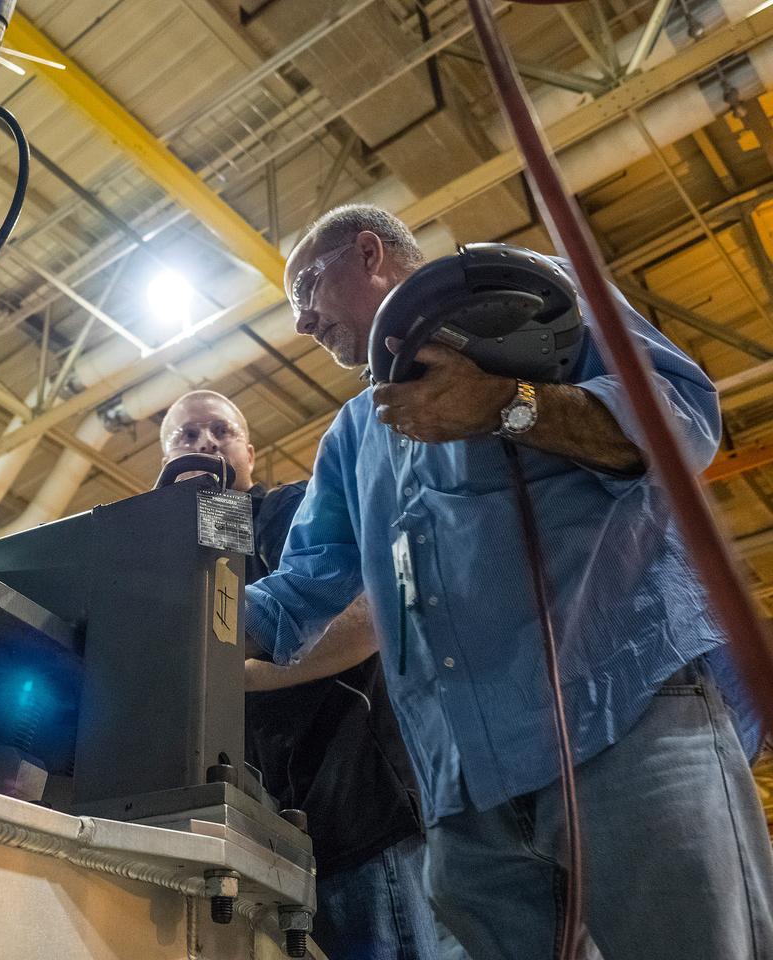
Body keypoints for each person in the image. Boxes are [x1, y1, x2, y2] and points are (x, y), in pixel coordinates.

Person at [243, 203, 773, 959]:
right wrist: (183, 623)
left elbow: (680, 419)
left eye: (305, 289)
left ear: (368, 253)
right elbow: (298, 594)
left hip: (624, 729)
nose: (300, 323)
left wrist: (509, 406)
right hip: (468, 812)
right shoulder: (354, 437)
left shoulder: (526, 300)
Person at [160, 389, 448, 960]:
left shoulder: (290, 514)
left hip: (360, 815)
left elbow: (371, 613)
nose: (206, 443)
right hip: (252, 844)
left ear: (250, 449)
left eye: (221, 430)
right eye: (186, 436)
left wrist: (236, 674)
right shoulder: (171, 560)